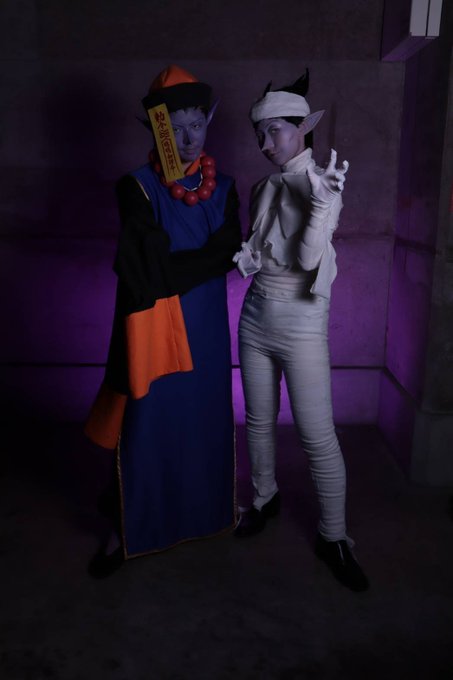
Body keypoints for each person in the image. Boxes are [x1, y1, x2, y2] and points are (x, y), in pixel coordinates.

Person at [85, 65, 242, 577]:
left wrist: (185, 264)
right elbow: (146, 261)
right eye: (174, 128)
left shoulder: (226, 188)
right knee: (147, 423)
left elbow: (226, 251)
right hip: (152, 325)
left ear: (208, 122)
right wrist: (206, 259)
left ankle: (203, 516)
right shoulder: (136, 187)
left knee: (202, 420)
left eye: (196, 125)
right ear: (155, 129)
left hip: (207, 329)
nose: (188, 139)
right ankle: (130, 525)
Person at [232, 71, 369, 592]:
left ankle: (333, 536)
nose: (266, 145)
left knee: (317, 435)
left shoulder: (325, 183)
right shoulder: (261, 187)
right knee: (258, 419)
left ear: (303, 129)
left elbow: (310, 259)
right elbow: (257, 251)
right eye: (260, 135)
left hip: (303, 321)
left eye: (276, 131)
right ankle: (264, 499)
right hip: (255, 315)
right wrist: (245, 257)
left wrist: (323, 203)